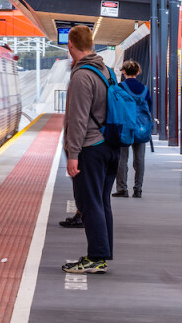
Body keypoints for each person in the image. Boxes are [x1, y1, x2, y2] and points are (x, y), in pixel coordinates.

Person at [62, 24, 121, 275]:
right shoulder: (106, 71)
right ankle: (102, 253)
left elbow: (77, 119)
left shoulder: (81, 76)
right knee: (101, 202)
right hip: (110, 146)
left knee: (89, 203)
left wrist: (72, 155)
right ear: (92, 45)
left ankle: (96, 257)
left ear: (70, 45)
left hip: (91, 148)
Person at [114, 60, 152, 198]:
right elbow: (149, 109)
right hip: (141, 127)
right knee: (139, 160)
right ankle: (138, 189)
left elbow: (115, 106)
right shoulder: (145, 89)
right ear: (138, 72)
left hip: (125, 127)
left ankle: (122, 189)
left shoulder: (120, 87)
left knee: (122, 159)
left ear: (124, 72)